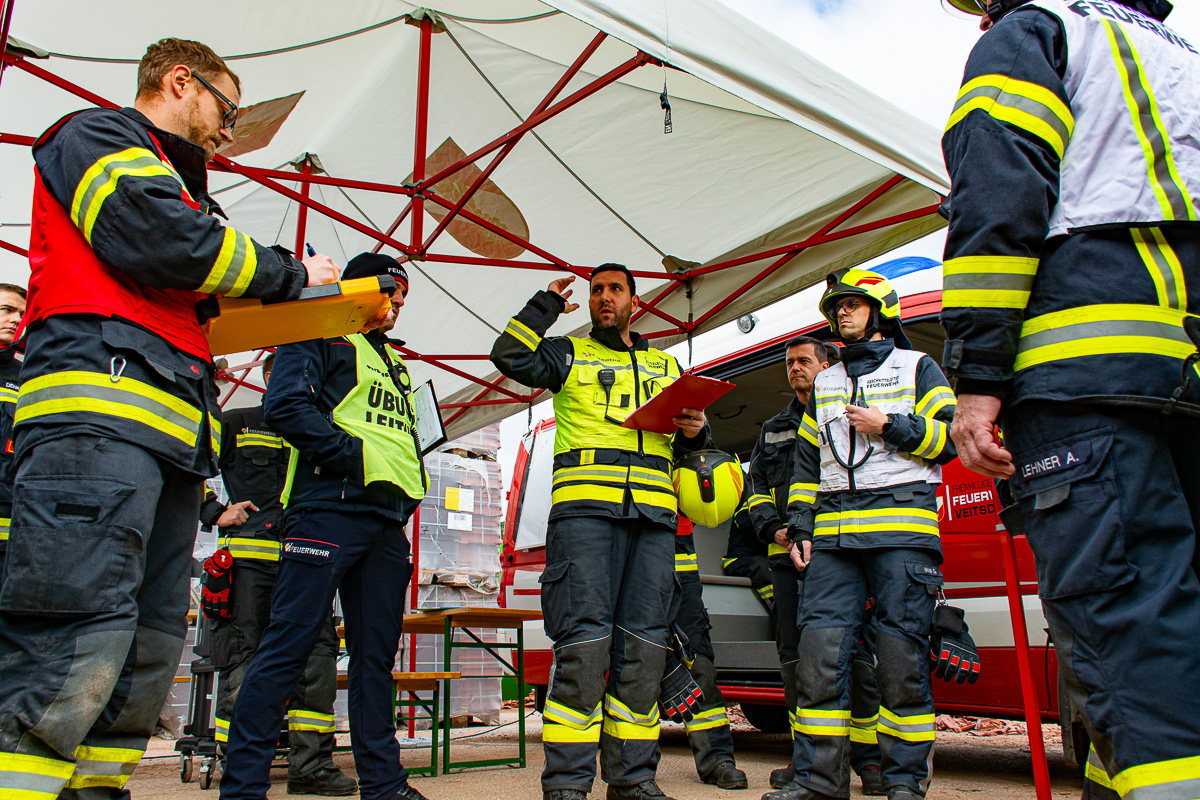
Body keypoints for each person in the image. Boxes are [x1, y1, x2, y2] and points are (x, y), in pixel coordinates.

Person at [0, 37, 339, 798]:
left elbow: (206, 277)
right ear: (181, 81)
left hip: (168, 446)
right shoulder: (94, 136)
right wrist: (291, 273)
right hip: (96, 425)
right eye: (228, 110)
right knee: (72, 639)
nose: (229, 131)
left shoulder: (182, 190)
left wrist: (314, 300)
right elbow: (167, 243)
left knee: (144, 652)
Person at [940, 1, 1200, 797]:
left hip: (1085, 383)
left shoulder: (1034, 33)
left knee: (1128, 630)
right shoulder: (1180, 56)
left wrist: (978, 381)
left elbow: (996, 202)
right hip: (1182, 374)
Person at [491, 264, 709, 800]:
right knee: (585, 645)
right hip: (585, 517)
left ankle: (633, 779)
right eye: (596, 291)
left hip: (653, 520)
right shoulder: (569, 353)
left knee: (645, 648)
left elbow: (688, 441)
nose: (604, 297)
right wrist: (545, 306)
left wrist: (697, 430)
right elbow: (509, 356)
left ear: (635, 300)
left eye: (615, 289)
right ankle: (567, 784)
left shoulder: (666, 364)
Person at [218, 253, 429, 800]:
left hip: (385, 522)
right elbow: (286, 406)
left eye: (403, 297)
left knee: (375, 660)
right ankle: (242, 790)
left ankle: (385, 786)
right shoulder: (316, 331)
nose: (396, 304)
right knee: (286, 647)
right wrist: (352, 460)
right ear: (358, 288)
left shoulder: (394, 363)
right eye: (389, 291)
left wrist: (404, 490)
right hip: (327, 509)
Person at [767, 269, 957, 800]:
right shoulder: (826, 381)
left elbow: (950, 439)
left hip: (900, 532)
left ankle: (904, 784)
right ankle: (819, 783)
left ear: (881, 312)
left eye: (853, 303)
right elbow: (806, 466)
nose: (842, 312)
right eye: (837, 306)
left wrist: (888, 425)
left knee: (901, 662)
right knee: (818, 657)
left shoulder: (917, 366)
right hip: (833, 540)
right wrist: (800, 527)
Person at [199, 354, 354, 796]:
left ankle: (312, 767)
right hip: (251, 567)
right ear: (272, 377)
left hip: (308, 565)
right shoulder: (238, 422)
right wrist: (213, 511)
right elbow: (187, 462)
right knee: (247, 663)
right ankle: (240, 766)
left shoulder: (325, 429)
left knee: (317, 661)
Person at [746, 337, 884, 795]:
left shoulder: (846, 413)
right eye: (789, 363)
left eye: (804, 361)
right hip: (785, 556)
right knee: (793, 658)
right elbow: (755, 489)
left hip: (839, 552)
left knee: (852, 655)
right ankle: (806, 757)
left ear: (827, 367)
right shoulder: (772, 429)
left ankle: (868, 760)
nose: (795, 368)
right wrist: (774, 530)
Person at [672, 516, 749, 790]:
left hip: (680, 563)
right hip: (633, 557)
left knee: (700, 663)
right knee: (634, 665)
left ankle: (717, 760)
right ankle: (632, 770)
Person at [0, 284, 26, 559]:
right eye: (7, 310)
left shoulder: (28, 375)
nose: (16, 320)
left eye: (21, 314)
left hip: (9, 515)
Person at [722, 478, 774, 610]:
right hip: (738, 560)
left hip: (769, 559)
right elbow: (745, 522)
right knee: (763, 568)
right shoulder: (749, 494)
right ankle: (778, 608)